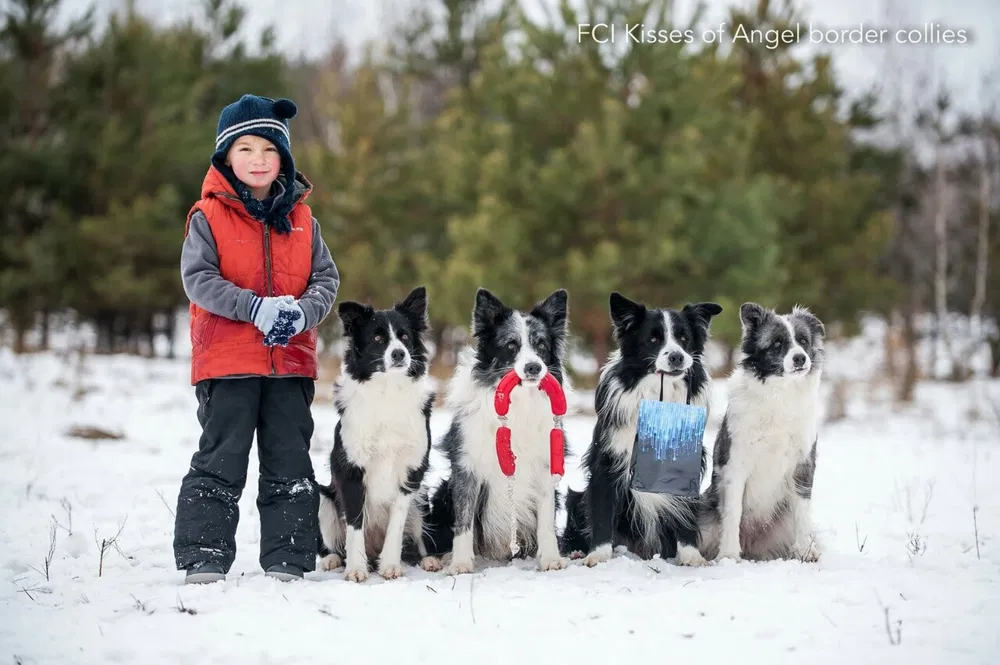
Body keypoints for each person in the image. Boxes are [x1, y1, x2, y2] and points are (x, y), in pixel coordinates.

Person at [172, 94, 340, 584]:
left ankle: (288, 557)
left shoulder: (304, 221)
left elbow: (325, 279)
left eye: (268, 149)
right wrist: (255, 308)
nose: (258, 159)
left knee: (290, 457)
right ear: (226, 157)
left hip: (289, 364)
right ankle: (204, 553)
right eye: (245, 149)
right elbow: (198, 279)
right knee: (221, 456)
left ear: (283, 158)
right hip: (227, 363)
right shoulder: (208, 216)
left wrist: (301, 312)